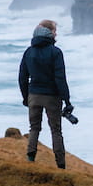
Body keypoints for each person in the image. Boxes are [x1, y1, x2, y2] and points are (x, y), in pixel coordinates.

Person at [18, 18, 71, 169]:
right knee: (56, 130)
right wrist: (67, 101)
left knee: (34, 128)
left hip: (33, 95)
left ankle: (30, 159)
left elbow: (22, 77)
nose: (56, 34)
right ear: (50, 33)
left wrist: (25, 97)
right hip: (52, 97)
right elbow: (60, 78)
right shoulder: (56, 52)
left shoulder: (29, 52)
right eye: (55, 31)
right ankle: (61, 165)